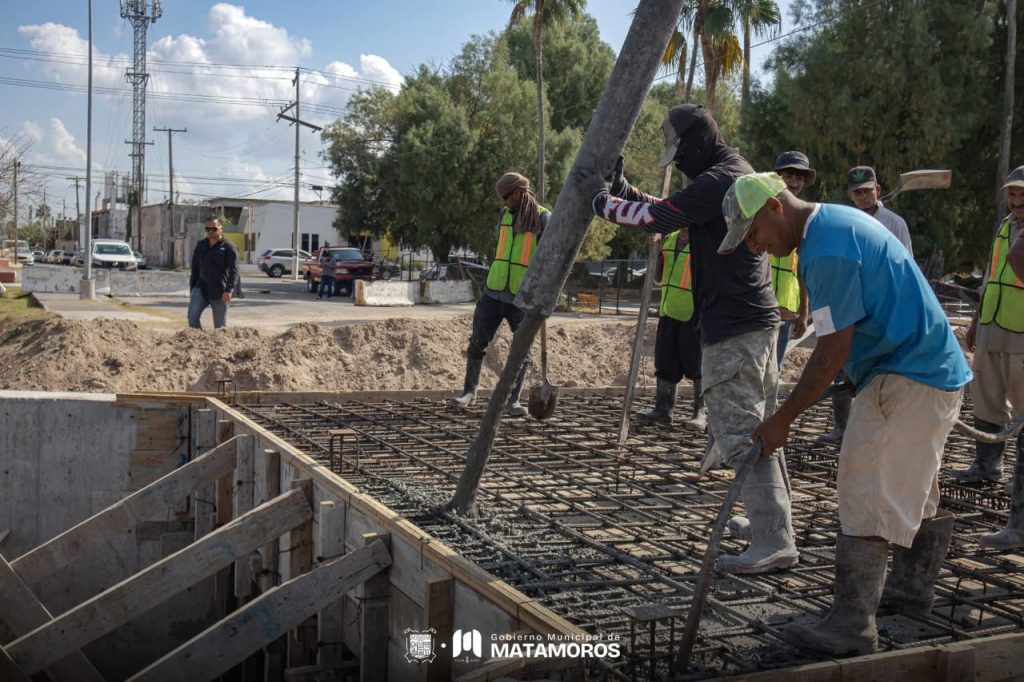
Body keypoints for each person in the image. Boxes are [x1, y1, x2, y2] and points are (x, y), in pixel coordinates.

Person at [719, 172, 971, 656]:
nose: (755, 246)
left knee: (865, 488)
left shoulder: (825, 250)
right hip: (926, 370)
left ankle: (851, 628)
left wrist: (784, 418)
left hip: (906, 375)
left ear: (775, 207)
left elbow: (833, 349)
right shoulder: (836, 223)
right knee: (912, 489)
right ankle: (910, 595)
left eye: (753, 233)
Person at [582, 104, 792, 574]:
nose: (676, 165)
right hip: (754, 323)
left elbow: (654, 220)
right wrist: (620, 191)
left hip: (734, 329)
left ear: (698, 143)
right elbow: (667, 210)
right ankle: (771, 524)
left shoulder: (719, 180)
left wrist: (600, 202)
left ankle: (774, 541)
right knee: (760, 433)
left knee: (741, 437)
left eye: (680, 156)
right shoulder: (728, 175)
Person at [957, 166, 1024, 549]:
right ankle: (987, 464)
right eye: (1012, 196)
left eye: (1021, 197)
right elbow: (991, 277)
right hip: (993, 325)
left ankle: (1021, 479)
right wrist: (976, 320)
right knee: (986, 397)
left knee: (1022, 408)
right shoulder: (1004, 227)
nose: (1016, 203)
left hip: (1021, 332)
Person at [450, 172, 549, 417]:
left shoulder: (544, 218)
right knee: (477, 342)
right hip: (494, 292)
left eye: (507, 197)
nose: (504, 202)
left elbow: (550, 259)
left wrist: (543, 294)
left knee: (522, 351)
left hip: (522, 297)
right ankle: (469, 392)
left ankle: (512, 401)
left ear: (519, 193)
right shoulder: (504, 215)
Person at [637, 228, 705, 429]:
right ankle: (663, 410)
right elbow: (658, 276)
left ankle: (699, 412)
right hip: (668, 310)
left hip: (693, 312)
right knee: (666, 362)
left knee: (697, 365)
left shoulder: (703, 239)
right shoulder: (670, 239)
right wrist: (656, 251)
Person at [771, 151, 813, 370]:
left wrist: (804, 312)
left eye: (799, 177)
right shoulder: (763, 208)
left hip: (787, 309)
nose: (794, 182)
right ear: (777, 177)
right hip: (758, 306)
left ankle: (770, 407)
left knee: (773, 371)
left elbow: (803, 269)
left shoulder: (804, 217)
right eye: (789, 175)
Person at [848, 165, 914, 257]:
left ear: (878, 190)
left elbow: (906, 263)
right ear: (851, 196)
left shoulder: (895, 224)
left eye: (867, 191)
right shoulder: (847, 224)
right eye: (857, 192)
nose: (863, 197)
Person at [188, 217, 239, 330]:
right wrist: (192, 288)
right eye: (208, 229)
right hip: (201, 287)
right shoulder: (201, 245)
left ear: (221, 229)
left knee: (219, 327)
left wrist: (229, 290)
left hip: (219, 291)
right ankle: (198, 342)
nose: (210, 231)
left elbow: (234, 270)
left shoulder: (228, 247)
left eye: (214, 229)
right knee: (192, 317)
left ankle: (217, 347)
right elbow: (195, 268)